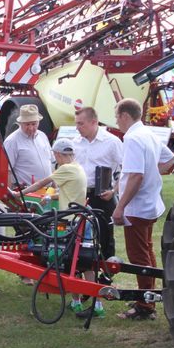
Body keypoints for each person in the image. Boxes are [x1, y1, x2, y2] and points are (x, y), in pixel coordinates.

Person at [10, 139, 103, 317]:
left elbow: (42, 184)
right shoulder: (77, 168)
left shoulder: (65, 169)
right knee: (85, 262)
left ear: (59, 154)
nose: (55, 158)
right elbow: (70, 192)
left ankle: (91, 303)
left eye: (55, 155)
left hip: (69, 222)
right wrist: (51, 198)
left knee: (70, 261)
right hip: (82, 218)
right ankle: (86, 303)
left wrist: (18, 194)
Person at [112, 98, 174, 320]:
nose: (116, 121)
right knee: (147, 252)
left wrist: (120, 207)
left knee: (139, 257)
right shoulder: (148, 134)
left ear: (125, 116)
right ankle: (147, 297)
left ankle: (145, 306)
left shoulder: (132, 138)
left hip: (137, 208)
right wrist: (152, 174)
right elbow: (169, 160)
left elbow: (136, 175)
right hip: (149, 204)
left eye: (117, 116)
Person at [73, 106, 123, 259]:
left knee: (105, 235)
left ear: (94, 122)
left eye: (81, 124)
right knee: (77, 233)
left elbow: (126, 170)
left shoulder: (112, 142)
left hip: (102, 195)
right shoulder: (75, 142)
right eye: (76, 123)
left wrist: (114, 191)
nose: (77, 128)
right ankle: (81, 267)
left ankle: (106, 271)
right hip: (79, 195)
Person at [4, 104, 52, 190]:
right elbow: (6, 171)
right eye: (27, 124)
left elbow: (50, 162)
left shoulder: (42, 136)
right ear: (20, 123)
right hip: (25, 192)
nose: (30, 128)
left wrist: (55, 188)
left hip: (47, 191)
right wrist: (10, 195)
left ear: (38, 122)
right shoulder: (12, 141)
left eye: (34, 124)